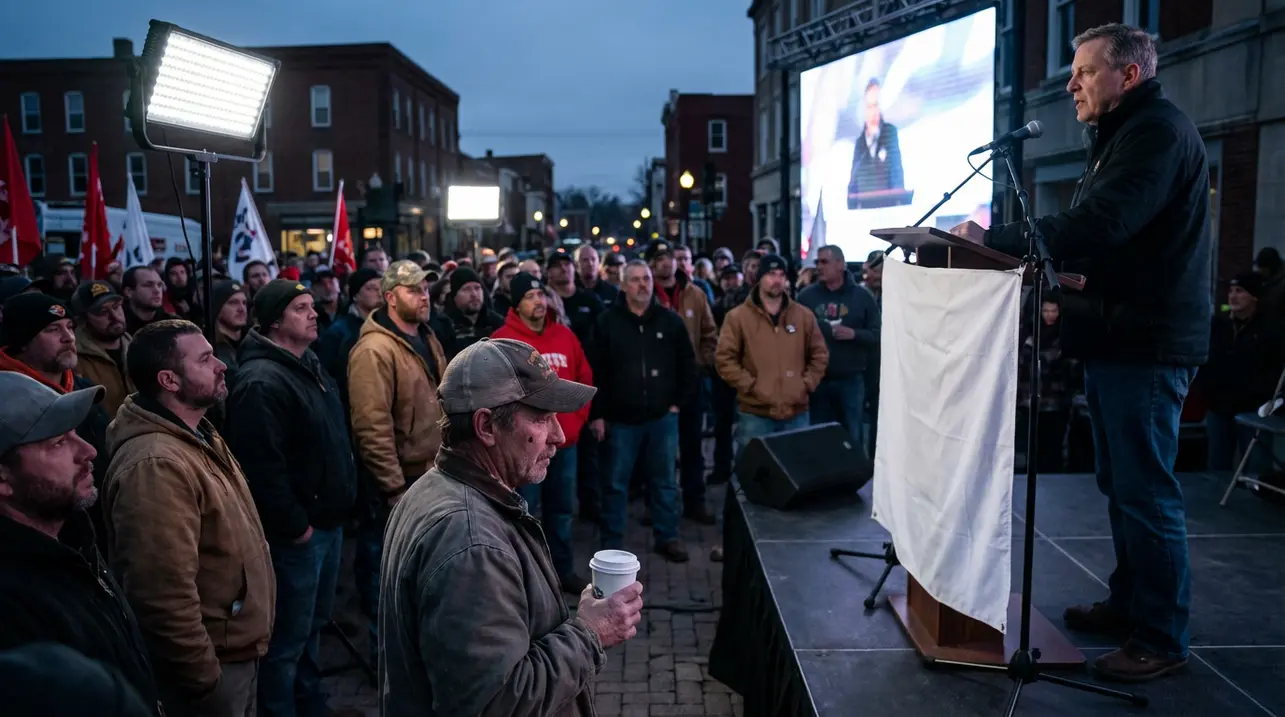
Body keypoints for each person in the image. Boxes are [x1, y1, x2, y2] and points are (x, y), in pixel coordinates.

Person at [951, 23, 1210, 682]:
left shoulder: (1154, 133)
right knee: (1120, 486)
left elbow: (1102, 222)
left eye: (1084, 72)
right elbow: (1118, 243)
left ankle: (1160, 633)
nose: (1069, 84)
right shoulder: (1123, 134)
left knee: (1146, 492)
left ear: (1128, 75)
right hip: (1116, 335)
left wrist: (997, 237)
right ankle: (1130, 604)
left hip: (1145, 345)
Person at [380, 338, 643, 716]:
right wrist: (590, 634)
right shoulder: (470, 541)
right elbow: (497, 703)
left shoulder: (438, 488)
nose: (559, 435)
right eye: (540, 417)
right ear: (486, 426)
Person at [104, 320, 275, 716]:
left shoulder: (197, 432)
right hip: (212, 666)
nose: (222, 365)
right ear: (169, 379)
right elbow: (161, 594)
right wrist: (203, 681)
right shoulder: (155, 465)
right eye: (204, 359)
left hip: (235, 651)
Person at [223, 279, 358, 716]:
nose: (314, 313)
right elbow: (263, 468)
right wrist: (295, 527)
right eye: (301, 308)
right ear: (277, 320)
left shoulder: (308, 362)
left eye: (312, 306)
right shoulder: (262, 381)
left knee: (313, 627)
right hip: (299, 534)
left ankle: (310, 702)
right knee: (286, 640)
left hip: (326, 523)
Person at [0, 372, 161, 714]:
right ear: (3, 478)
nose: (87, 451)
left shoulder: (73, 537)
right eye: (58, 442)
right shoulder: (12, 604)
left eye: (75, 433)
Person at [346, 260, 447, 651]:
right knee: (386, 575)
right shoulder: (373, 350)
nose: (424, 296)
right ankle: (384, 659)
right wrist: (392, 487)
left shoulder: (425, 335)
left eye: (425, 289)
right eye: (413, 290)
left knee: (422, 570)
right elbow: (371, 427)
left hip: (429, 471)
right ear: (390, 297)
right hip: (399, 482)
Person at [491, 272, 595, 591]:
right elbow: (496, 396)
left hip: (563, 445)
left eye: (541, 295)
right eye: (529, 297)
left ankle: (562, 570)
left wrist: (573, 424)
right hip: (525, 447)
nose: (539, 301)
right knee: (525, 511)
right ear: (516, 305)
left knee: (562, 510)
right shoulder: (502, 341)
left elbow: (583, 376)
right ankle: (526, 577)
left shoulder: (564, 335)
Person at [592, 260, 699, 562]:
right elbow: (595, 371)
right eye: (636, 280)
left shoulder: (670, 321)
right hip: (620, 419)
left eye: (647, 279)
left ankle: (668, 536)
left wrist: (678, 401)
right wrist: (597, 413)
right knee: (615, 485)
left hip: (661, 417)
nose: (643, 285)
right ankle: (611, 543)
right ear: (623, 285)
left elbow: (688, 365)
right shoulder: (606, 322)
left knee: (664, 480)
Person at [797, 245, 880, 448]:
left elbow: (877, 335)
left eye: (824, 262)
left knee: (853, 436)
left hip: (851, 379)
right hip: (818, 380)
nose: (819, 267)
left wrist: (854, 334)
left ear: (840, 264)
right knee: (817, 438)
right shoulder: (806, 297)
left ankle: (856, 478)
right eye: (817, 262)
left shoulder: (862, 297)